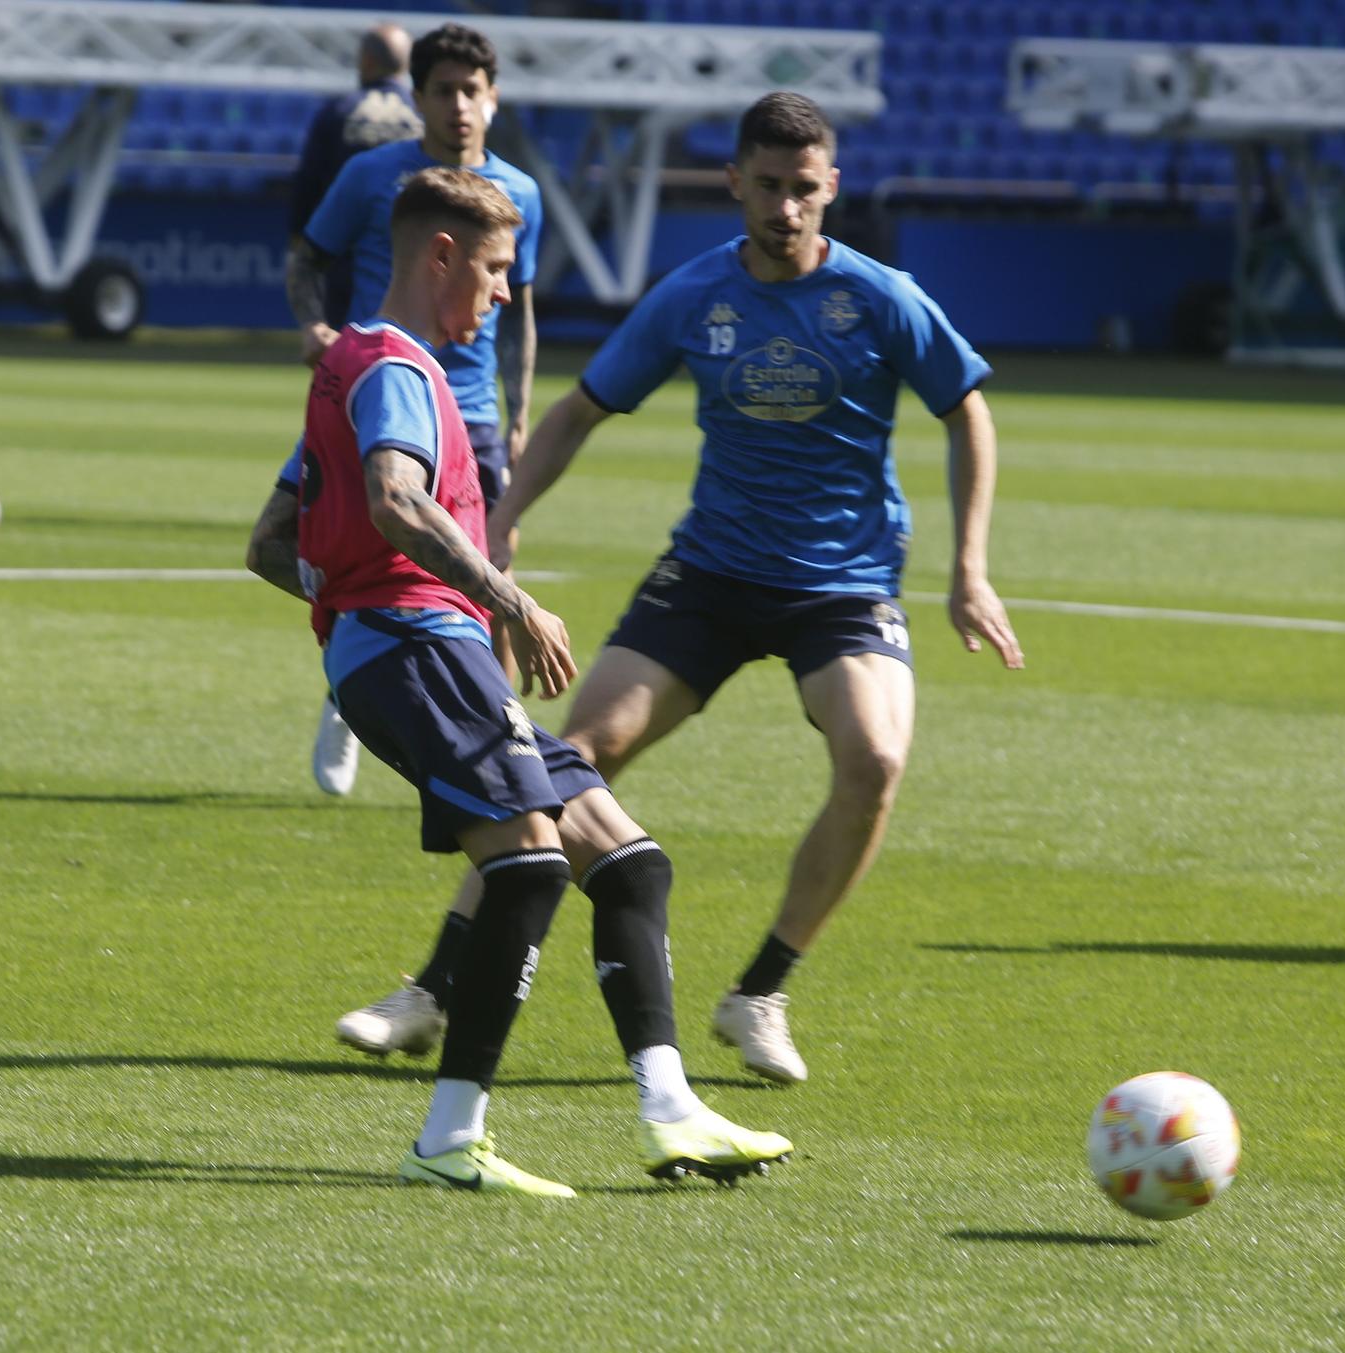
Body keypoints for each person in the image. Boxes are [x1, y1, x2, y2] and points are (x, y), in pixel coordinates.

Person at [334, 93, 1024, 1086]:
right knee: (570, 756)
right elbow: (579, 411)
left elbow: (967, 412)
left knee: (873, 758)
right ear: (734, 183)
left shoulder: (880, 298)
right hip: (707, 577)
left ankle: (760, 991)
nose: (785, 209)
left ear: (829, 188)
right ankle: (433, 989)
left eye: (803, 190)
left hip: (842, 586)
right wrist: (496, 530)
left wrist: (968, 570)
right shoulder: (693, 295)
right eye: (767, 187)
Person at [246, 167, 791, 1196]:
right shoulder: (399, 369)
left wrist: (347, 596)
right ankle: (450, 1139)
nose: (503, 293)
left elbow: (272, 544)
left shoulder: (356, 369)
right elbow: (398, 502)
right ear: (438, 256)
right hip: (418, 645)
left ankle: (670, 1111)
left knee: (623, 861)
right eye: (494, 269)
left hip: (410, 647)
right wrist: (500, 602)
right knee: (529, 866)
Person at [286, 22, 542, 800]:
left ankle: (503, 737)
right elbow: (308, 257)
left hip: (472, 409)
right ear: (418, 98)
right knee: (354, 545)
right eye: (444, 90)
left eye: (474, 91)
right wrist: (312, 327)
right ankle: (358, 676)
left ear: (493, 100)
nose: (460, 106)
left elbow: (520, 307)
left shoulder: (516, 193)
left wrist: (521, 410)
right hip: (379, 392)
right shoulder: (375, 177)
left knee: (488, 566)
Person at [286, 22, 422, 330]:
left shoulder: (338, 112)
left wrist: (299, 245)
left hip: (346, 256)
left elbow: (306, 189)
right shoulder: (427, 112)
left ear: (367, 61)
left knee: (348, 351)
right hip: (418, 254)